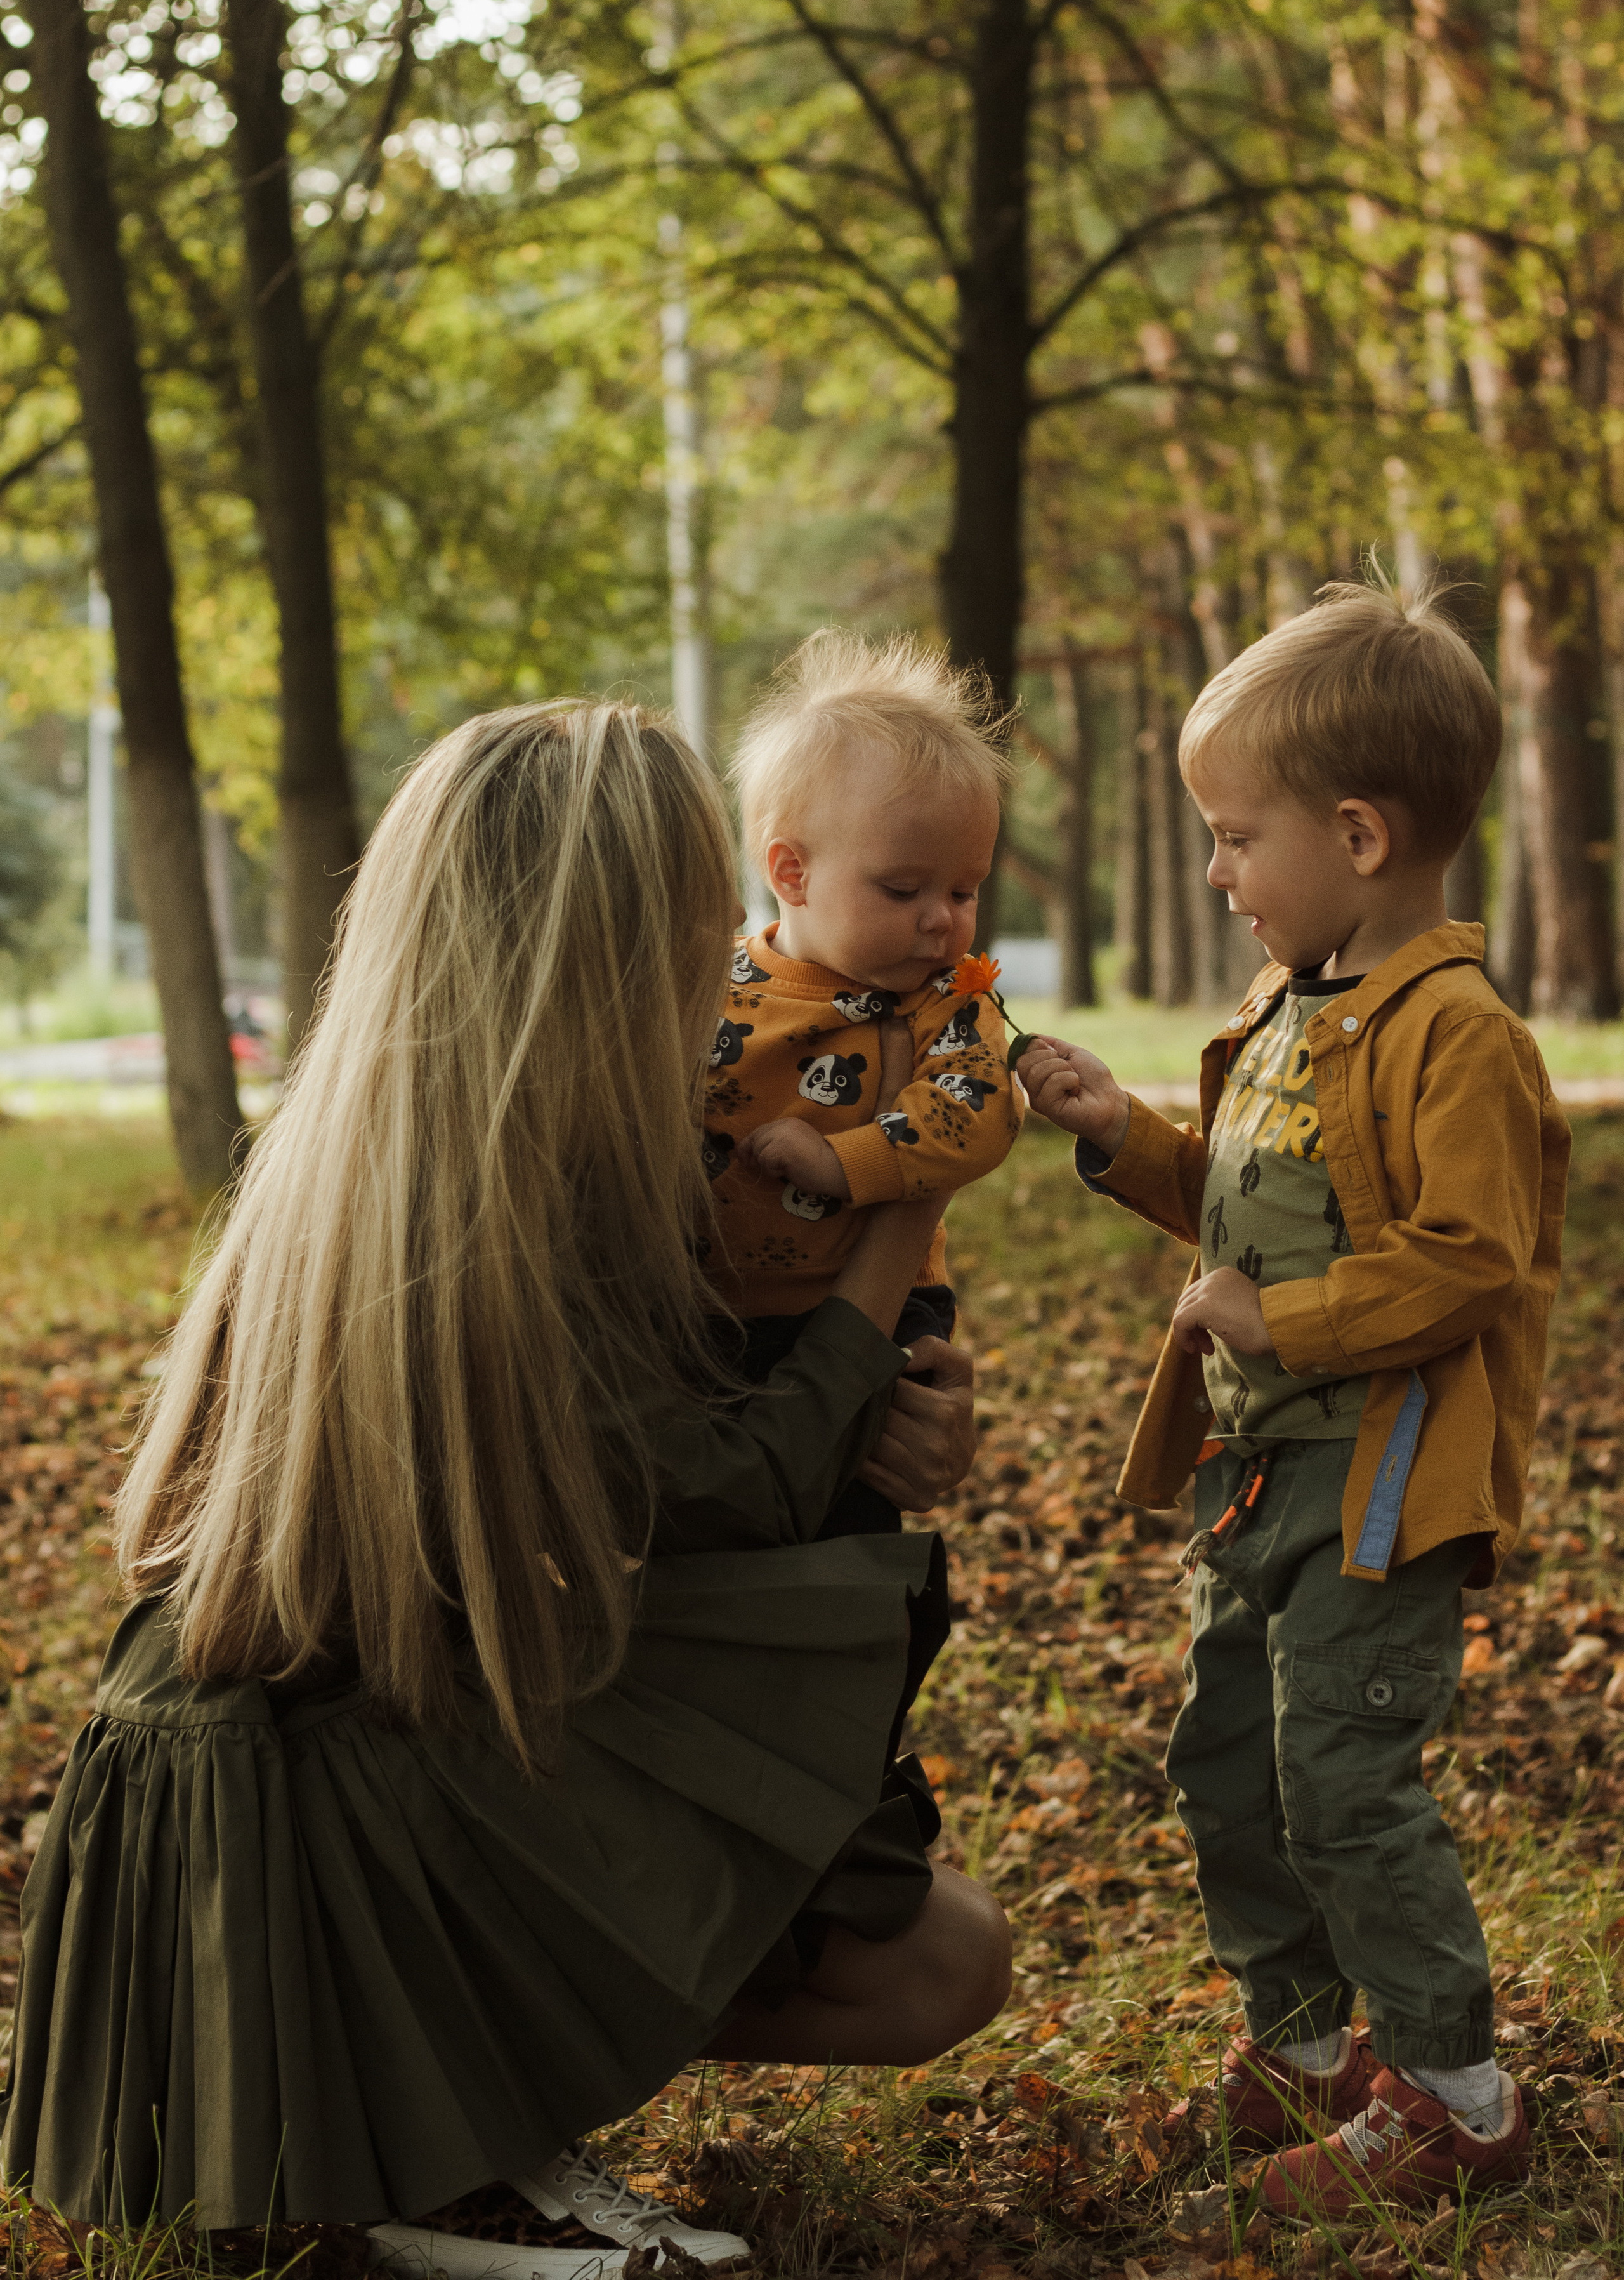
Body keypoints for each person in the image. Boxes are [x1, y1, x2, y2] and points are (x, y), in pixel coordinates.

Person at [1, 701, 1011, 2266]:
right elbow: (733, 1491)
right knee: (938, 1960)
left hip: (287, 1795)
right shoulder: (491, 1211)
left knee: (929, 1954)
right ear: (599, 951)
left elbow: (712, 1462)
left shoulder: (408, 1139)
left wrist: (887, 1410)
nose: (729, 958)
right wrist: (904, 1200)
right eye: (697, 920)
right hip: (294, 1831)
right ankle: (413, 2146)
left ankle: (434, 2104)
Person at [1018, 579, 1568, 2215]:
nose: (1214, 869)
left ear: (1356, 833)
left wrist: (1290, 1319)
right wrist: (1120, 1133)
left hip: (1381, 1488)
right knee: (1228, 1765)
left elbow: (1472, 1258)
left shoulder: (1453, 1035)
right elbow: (1250, 1220)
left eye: (1232, 836)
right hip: (1257, 1482)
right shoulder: (1284, 1011)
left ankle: (1452, 2099)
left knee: (1340, 1779)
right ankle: (1314, 2053)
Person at [705, 631, 1023, 1537]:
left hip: (874, 1310)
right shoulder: (715, 986)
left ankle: (856, 1633)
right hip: (713, 1308)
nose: (942, 922)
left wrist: (843, 1160)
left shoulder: (946, 1004)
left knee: (845, 1506)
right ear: (791, 873)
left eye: (964, 891)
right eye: (903, 889)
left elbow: (980, 1118)